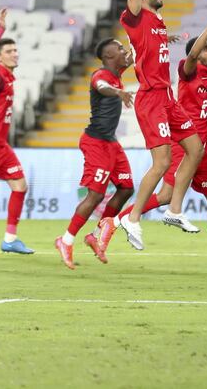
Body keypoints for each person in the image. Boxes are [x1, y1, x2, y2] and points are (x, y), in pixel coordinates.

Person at [110, 1, 207, 276]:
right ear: (197, 55)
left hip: (204, 148)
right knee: (165, 195)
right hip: (184, 144)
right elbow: (192, 55)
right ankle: (117, 221)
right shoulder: (187, 70)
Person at [118, 0, 204, 250]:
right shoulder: (136, 17)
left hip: (167, 98)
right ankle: (132, 217)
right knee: (163, 162)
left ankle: (174, 209)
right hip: (151, 98)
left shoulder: (156, 14)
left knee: (195, 148)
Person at [55, 38, 135, 270]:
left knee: (126, 188)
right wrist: (118, 93)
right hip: (95, 142)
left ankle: (96, 234)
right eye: (119, 49)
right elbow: (102, 87)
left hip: (110, 142)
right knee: (95, 196)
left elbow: (135, 55)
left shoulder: (116, 70)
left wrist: (160, 41)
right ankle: (66, 240)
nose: (124, 51)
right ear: (109, 56)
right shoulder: (99, 76)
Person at [0, 31, 33, 254]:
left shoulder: (8, 77)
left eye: (16, 50)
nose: (15, 54)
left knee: (20, 186)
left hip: (3, 145)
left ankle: (10, 239)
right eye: (9, 51)